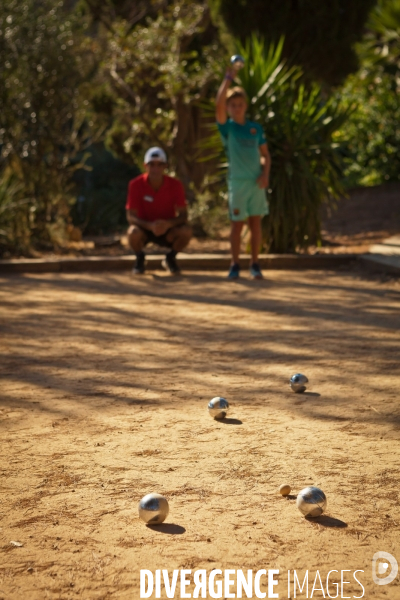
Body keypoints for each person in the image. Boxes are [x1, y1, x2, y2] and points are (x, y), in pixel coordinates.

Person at [215, 66, 271, 280]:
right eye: (232, 105)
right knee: (237, 225)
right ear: (228, 108)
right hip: (237, 184)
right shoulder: (227, 128)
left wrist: (265, 173)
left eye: (240, 105)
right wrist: (228, 78)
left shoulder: (255, 129)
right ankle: (235, 264)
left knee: (256, 224)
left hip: (256, 184)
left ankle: (255, 264)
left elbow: (265, 154)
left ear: (245, 106)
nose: (236, 108)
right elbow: (218, 103)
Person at [126, 147, 192, 275]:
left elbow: (183, 215)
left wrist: (168, 224)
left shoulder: (176, 185)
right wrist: (149, 226)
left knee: (186, 231)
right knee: (132, 232)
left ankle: (170, 258)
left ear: (165, 166)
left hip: (168, 230)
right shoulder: (135, 184)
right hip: (144, 228)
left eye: (159, 164)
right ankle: (140, 259)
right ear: (145, 166)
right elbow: (130, 216)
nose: (155, 169)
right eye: (151, 164)